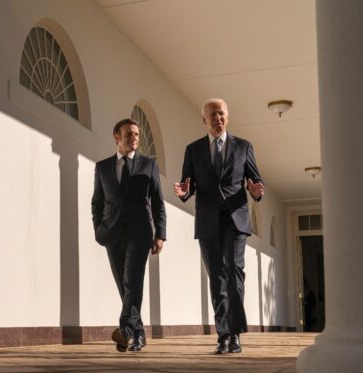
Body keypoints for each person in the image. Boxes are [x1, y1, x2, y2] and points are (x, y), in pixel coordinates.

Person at [174, 98, 264, 355]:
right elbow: (186, 185)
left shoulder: (244, 146)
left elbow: (254, 180)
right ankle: (223, 334)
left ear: (228, 116)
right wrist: (182, 192)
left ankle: (234, 333)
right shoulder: (193, 150)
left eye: (221, 113)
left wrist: (256, 190)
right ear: (204, 119)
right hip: (208, 221)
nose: (218, 118)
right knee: (217, 277)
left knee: (234, 272)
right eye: (212, 114)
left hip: (236, 220)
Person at [92, 118, 166, 352]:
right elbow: (97, 201)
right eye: (129, 134)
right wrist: (98, 226)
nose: (134, 138)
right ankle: (138, 333)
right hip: (111, 233)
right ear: (117, 137)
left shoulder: (148, 165)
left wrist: (160, 234)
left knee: (132, 280)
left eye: (136, 134)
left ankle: (125, 329)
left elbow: (158, 201)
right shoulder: (102, 167)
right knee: (124, 286)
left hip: (140, 232)